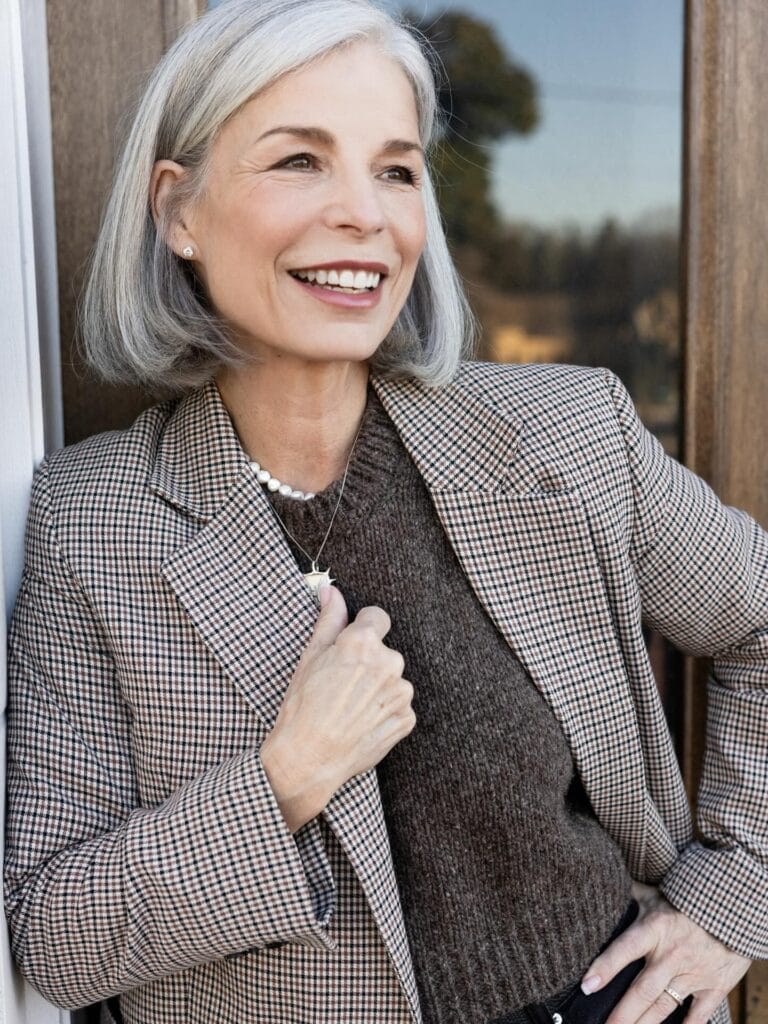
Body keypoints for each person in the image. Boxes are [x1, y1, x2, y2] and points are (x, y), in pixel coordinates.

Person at [4, 1, 766, 1022]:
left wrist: (733, 896)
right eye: (300, 161)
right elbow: (54, 930)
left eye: (396, 169)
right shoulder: (91, 522)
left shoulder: (568, 433)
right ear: (178, 210)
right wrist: (284, 779)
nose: (365, 212)